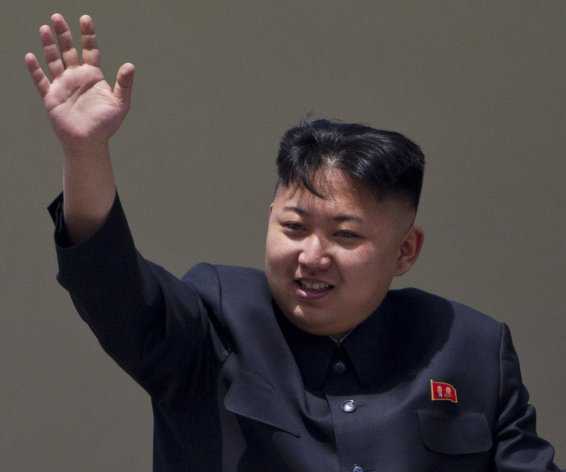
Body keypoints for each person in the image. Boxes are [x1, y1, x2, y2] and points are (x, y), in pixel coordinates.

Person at [26, 13, 562, 472]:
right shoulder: (214, 317)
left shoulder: (470, 347)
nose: (312, 255)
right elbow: (107, 280)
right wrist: (85, 153)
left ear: (406, 251)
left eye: (344, 235)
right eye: (294, 227)